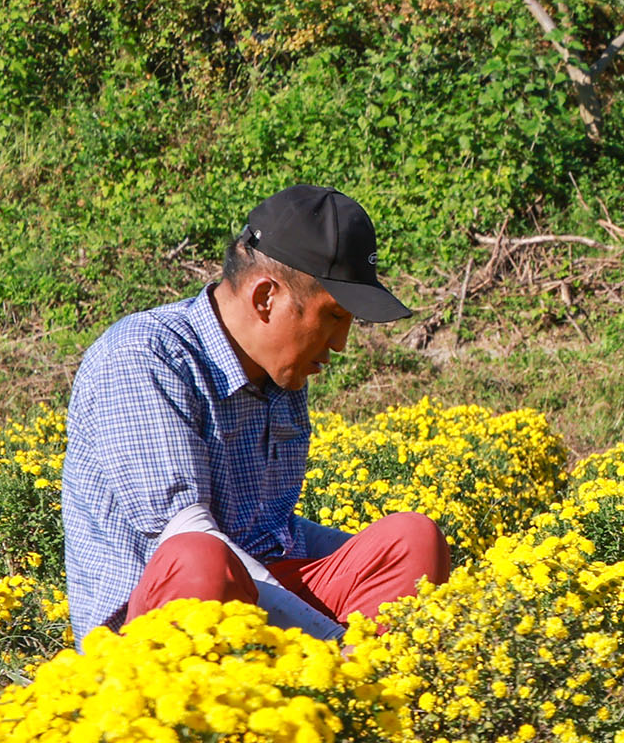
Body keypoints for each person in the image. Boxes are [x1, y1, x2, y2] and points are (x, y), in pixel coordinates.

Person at [62, 185, 447, 644]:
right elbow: (185, 538)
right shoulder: (145, 354)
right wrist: (331, 643)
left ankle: (349, 704)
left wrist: (374, 562)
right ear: (266, 298)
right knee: (200, 559)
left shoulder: (278, 372)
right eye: (334, 317)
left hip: (260, 598)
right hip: (157, 634)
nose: (342, 344)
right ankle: (341, 678)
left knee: (411, 539)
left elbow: (270, 531)